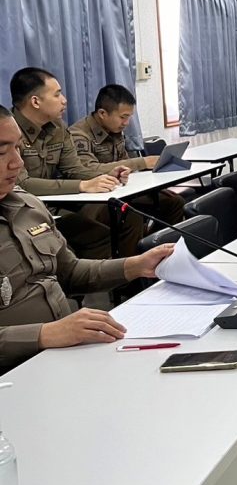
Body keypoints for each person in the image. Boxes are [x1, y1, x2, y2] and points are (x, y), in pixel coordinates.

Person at [0, 104, 175, 370]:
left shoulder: (29, 206)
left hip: (67, 354)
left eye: (18, 148)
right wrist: (44, 334)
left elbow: (70, 273)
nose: (18, 162)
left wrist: (136, 265)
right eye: (2, 152)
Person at [10, 67, 143, 258]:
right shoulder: (8, 130)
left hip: (53, 205)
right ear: (35, 101)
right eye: (57, 94)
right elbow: (21, 184)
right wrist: (82, 185)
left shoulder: (58, 128)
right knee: (93, 237)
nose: (64, 100)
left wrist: (107, 174)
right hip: (19, 211)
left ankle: (130, 275)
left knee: (129, 215)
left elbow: (74, 169)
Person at [70, 83, 186, 225]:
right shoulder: (78, 135)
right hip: (93, 198)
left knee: (174, 202)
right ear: (102, 114)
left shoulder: (114, 128)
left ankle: (156, 238)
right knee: (131, 216)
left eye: (129, 117)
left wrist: (144, 183)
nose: (127, 123)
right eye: (123, 117)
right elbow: (87, 170)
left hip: (120, 191)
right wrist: (143, 162)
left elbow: (124, 164)